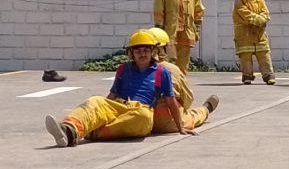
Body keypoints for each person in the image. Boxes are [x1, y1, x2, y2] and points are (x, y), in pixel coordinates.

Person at [44, 30, 188, 147]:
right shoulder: (123, 69)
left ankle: (93, 133)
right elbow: (112, 95)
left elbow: (171, 100)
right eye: (138, 51)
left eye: (146, 50)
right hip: (119, 105)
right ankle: (68, 130)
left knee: (142, 117)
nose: (142, 54)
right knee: (95, 101)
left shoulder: (162, 72)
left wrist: (180, 128)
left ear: (153, 52)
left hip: (141, 110)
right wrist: (101, 112)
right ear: (131, 53)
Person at [147, 27, 218, 133]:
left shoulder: (131, 69)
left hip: (143, 122)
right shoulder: (170, 69)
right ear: (163, 48)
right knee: (193, 115)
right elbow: (188, 97)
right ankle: (206, 109)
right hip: (168, 122)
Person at [153, 0, 205, 74]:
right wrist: (159, 27)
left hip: (187, 31)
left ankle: (180, 84)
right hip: (169, 30)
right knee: (167, 60)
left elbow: (198, 7)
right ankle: (167, 85)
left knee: (183, 62)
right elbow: (158, 6)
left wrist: (196, 27)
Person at [232, 0, 276, 85]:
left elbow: (265, 12)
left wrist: (263, 18)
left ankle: (269, 76)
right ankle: (247, 76)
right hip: (244, 35)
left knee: (264, 55)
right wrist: (259, 20)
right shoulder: (239, 0)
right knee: (245, 57)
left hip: (259, 34)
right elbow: (244, 13)